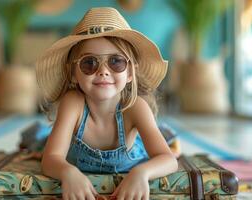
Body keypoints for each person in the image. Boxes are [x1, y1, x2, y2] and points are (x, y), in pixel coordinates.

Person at [36, 7, 178, 200]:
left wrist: (141, 173)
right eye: (89, 63)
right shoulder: (73, 103)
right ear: (73, 73)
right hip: (64, 145)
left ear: (130, 73)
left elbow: (168, 159)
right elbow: (50, 159)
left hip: (137, 151)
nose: (103, 71)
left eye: (116, 62)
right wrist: (68, 173)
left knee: (166, 144)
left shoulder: (135, 107)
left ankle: (166, 134)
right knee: (38, 143)